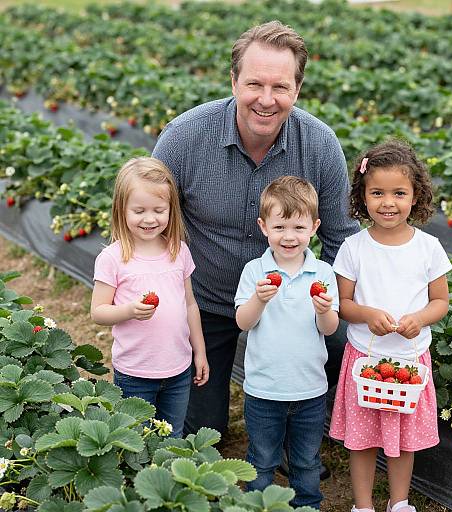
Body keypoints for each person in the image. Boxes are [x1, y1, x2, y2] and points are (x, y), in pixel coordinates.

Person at [152, 20, 359, 438]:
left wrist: (320, 300)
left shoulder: (318, 145)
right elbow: (150, 229)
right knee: (202, 432)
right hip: (206, 304)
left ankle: (302, 417)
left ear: (297, 90)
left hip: (293, 302)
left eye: (280, 87)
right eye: (254, 84)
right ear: (233, 81)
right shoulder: (185, 138)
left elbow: (342, 239)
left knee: (344, 342)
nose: (266, 100)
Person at [329, 140, 452, 512]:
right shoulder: (354, 247)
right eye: (377, 193)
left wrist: (419, 319)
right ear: (362, 197)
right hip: (365, 358)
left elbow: (441, 302)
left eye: (399, 193)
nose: (388, 202)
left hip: (410, 361)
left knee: (405, 438)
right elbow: (344, 305)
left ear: (416, 196)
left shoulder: (428, 248)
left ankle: (399, 502)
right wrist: (368, 315)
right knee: (362, 439)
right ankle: (363, 505)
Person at [235, 176, 339, 508]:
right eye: (280, 227)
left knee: (306, 460)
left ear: (314, 227)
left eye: (298, 227)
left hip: (310, 388)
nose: (289, 237)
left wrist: (324, 310)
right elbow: (243, 321)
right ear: (263, 227)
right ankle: (258, 505)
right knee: (262, 458)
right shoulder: (255, 272)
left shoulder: (323, 273)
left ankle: (307, 506)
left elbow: (330, 327)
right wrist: (259, 300)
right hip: (264, 388)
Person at [90, 157, 209, 438]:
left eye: (159, 210)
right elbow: (98, 312)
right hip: (135, 372)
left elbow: (190, 305)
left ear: (171, 209)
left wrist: (199, 351)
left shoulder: (178, 251)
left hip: (178, 369)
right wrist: (129, 310)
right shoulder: (113, 258)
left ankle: (167, 480)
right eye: (139, 210)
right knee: (135, 439)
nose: (149, 219)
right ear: (121, 210)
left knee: (172, 435)